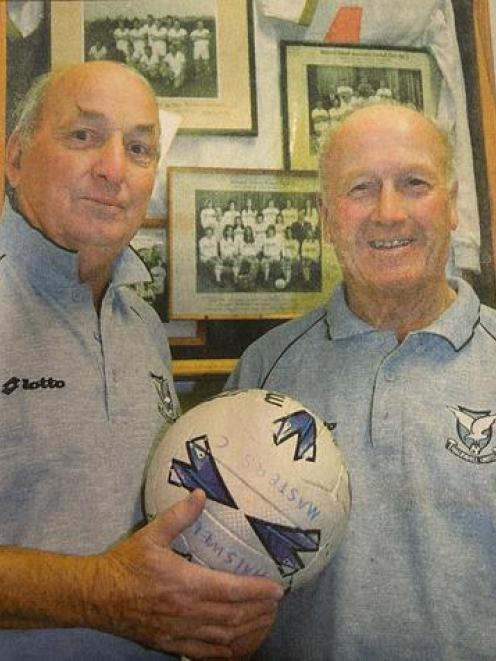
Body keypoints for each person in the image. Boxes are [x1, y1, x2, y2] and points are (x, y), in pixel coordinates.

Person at [1, 60, 283, 660]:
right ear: (15, 158)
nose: (113, 170)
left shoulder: (143, 326)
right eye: (83, 136)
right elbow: (121, 588)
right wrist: (99, 594)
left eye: (139, 148)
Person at [226, 103, 496, 659]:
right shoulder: (264, 371)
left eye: (414, 183)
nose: (388, 213)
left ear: (452, 206)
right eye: (361, 189)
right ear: (326, 216)